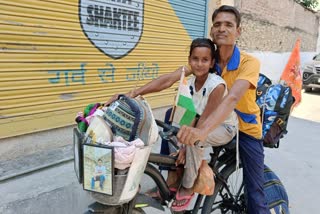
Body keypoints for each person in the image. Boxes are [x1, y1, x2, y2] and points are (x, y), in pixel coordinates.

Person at [105, 38, 238, 211]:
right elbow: (166, 82)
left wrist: (184, 146)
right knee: (170, 128)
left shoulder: (216, 85)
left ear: (212, 62)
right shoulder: (189, 82)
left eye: (205, 60)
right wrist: (133, 93)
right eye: (195, 59)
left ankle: (188, 186)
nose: (199, 64)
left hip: (222, 127)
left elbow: (205, 122)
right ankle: (172, 181)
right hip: (199, 121)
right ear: (189, 60)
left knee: (194, 139)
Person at [177, 5, 270, 213]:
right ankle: (178, 184)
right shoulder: (208, 60)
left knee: (255, 192)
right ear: (211, 31)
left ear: (238, 31)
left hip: (245, 130)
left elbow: (233, 97)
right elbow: (175, 76)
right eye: (217, 24)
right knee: (173, 132)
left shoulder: (249, 62)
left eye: (229, 24)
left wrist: (202, 130)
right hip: (215, 123)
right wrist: (135, 92)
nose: (222, 29)